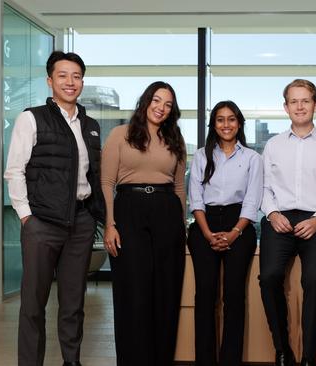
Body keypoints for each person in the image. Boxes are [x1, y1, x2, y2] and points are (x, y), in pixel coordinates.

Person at [4, 51, 104, 366]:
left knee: (73, 304)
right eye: (62, 75)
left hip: (80, 222)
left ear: (82, 82)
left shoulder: (90, 125)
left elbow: (93, 174)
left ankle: (71, 362)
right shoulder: (31, 118)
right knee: (33, 305)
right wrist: (26, 218)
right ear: (50, 80)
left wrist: (96, 215)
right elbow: (14, 170)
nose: (70, 82)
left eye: (76, 76)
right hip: (42, 224)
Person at [101, 81, 187, 365]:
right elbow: (107, 182)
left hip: (167, 212)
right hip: (129, 210)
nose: (161, 108)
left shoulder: (176, 140)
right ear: (146, 101)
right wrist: (110, 225)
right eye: (157, 100)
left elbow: (179, 189)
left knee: (165, 292)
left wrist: (182, 226)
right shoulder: (120, 134)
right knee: (133, 292)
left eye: (168, 104)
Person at [259, 79, 316, 366]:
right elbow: (264, 189)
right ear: (285, 107)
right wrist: (272, 214)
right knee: (268, 277)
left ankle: (308, 357)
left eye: (305, 100)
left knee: (315, 280)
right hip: (279, 219)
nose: (300, 106)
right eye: (294, 101)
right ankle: (282, 350)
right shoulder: (273, 145)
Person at [187, 101, 263, 366]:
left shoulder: (252, 158)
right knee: (205, 294)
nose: (226, 125)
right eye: (220, 120)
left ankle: (231, 360)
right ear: (214, 125)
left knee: (233, 295)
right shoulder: (200, 156)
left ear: (239, 123)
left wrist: (233, 233)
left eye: (231, 119)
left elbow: (252, 201)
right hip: (204, 223)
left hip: (238, 225)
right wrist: (208, 234)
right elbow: (195, 199)